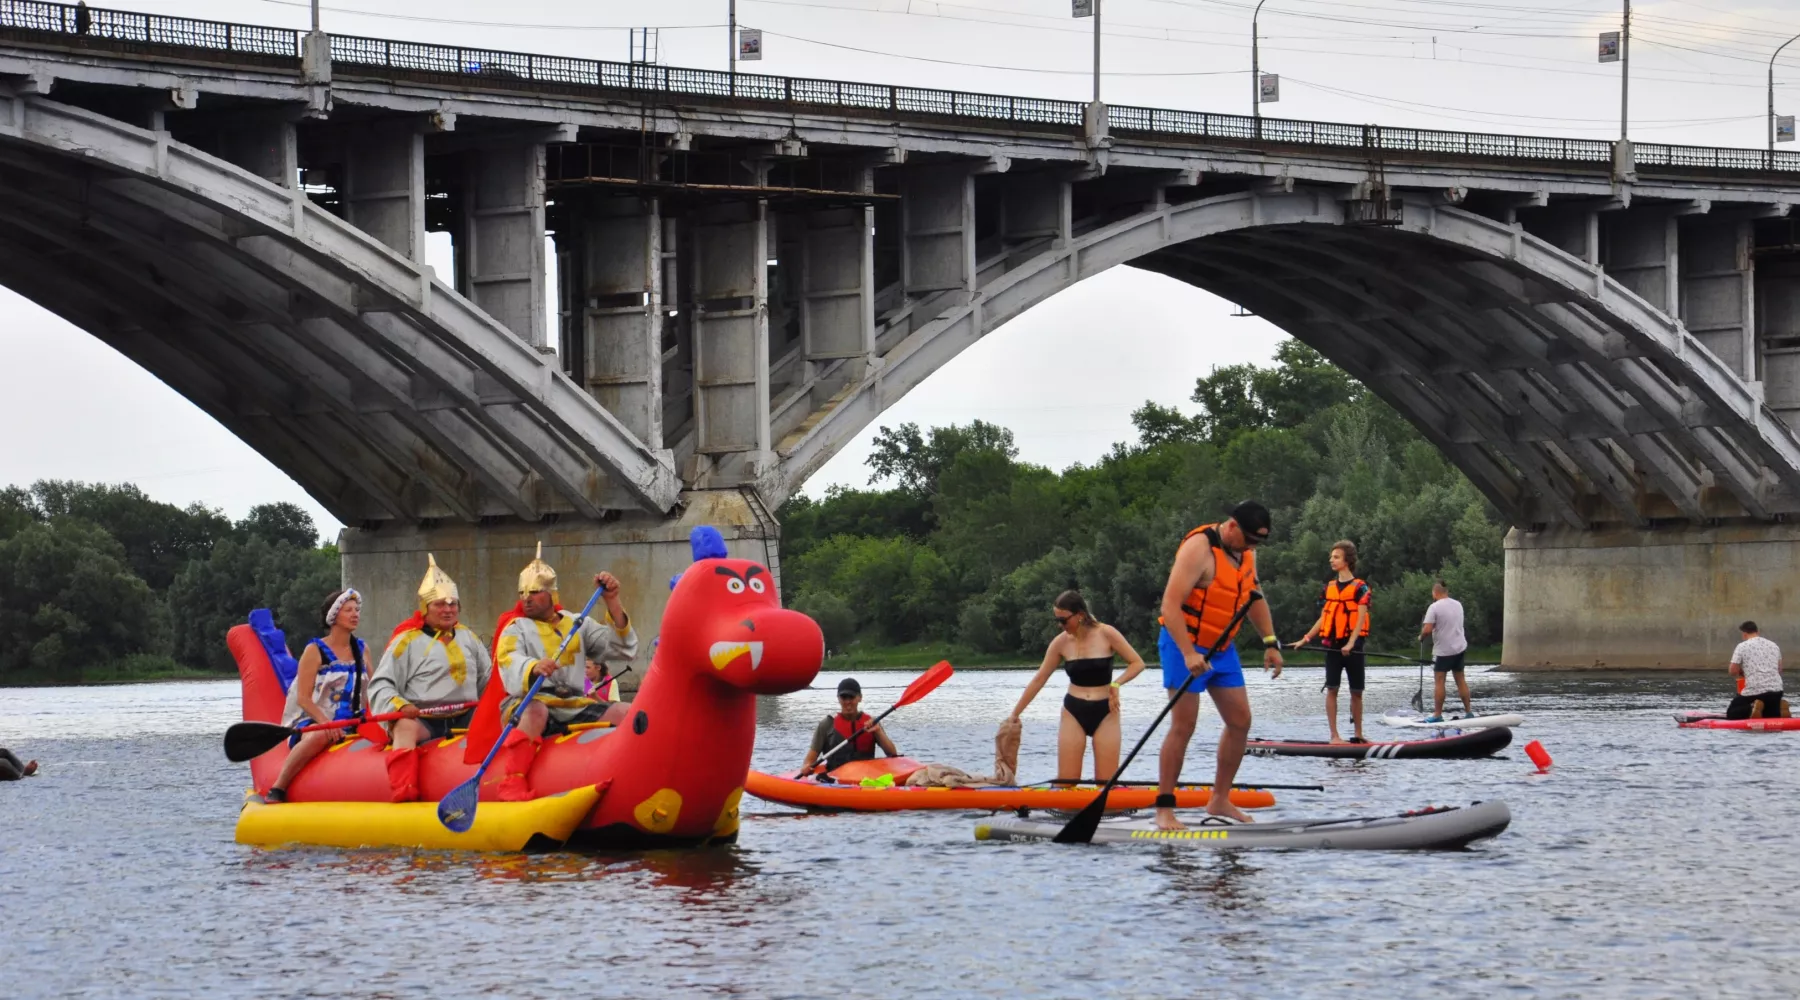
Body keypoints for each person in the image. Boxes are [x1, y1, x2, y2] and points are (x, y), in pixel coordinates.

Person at [1154, 501, 1284, 830]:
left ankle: (1220, 799)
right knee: (1184, 725)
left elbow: (1254, 597)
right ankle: (1165, 810)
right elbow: (1170, 605)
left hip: (1221, 648)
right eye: (1250, 540)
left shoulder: (1246, 553)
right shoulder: (1198, 549)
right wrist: (1187, 653)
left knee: (1240, 720)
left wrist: (1270, 642)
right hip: (1182, 642)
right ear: (1232, 527)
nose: (1252, 548)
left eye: (1258, 543)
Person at [368, 554, 492, 801]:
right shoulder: (406, 642)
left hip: (465, 716)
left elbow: (487, 680)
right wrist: (402, 705)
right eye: (440, 604)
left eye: (452, 603)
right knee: (404, 726)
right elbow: (381, 684)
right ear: (426, 608)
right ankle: (404, 790)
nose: (448, 609)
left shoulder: (469, 637)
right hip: (423, 720)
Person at [494, 543, 638, 743]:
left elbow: (622, 649)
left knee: (627, 712)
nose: (527, 598)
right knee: (536, 713)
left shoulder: (578, 623)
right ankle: (514, 772)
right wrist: (533, 667)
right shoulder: (515, 628)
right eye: (523, 592)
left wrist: (612, 600)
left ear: (552, 594)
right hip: (529, 701)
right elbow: (509, 659)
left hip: (573, 703)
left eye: (534, 591)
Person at [1005, 590, 1148, 782]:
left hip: (1106, 710)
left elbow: (1137, 663)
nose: (1060, 625)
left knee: (1105, 783)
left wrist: (1116, 683)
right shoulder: (1061, 643)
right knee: (1067, 781)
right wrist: (1015, 714)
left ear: (1080, 615)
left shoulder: (1106, 633)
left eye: (1064, 620)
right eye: (1057, 620)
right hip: (1074, 711)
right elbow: (1040, 679)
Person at [263, 588, 369, 803]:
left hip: (354, 719)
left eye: (356, 610)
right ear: (333, 616)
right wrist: (326, 724)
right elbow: (303, 698)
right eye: (348, 610)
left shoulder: (362, 648)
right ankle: (279, 786)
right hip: (315, 720)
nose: (355, 614)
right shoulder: (315, 650)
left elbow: (374, 688)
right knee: (319, 735)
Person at [1289, 540, 1369, 743]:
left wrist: (1350, 644)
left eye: (1336, 557)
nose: (1331, 560)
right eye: (1331, 557)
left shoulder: (1361, 588)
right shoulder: (1328, 588)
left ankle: (1358, 735)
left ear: (1347, 560)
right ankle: (1334, 736)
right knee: (1332, 689)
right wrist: (1305, 639)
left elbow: (1360, 618)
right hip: (1332, 646)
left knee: (1356, 692)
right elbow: (1324, 617)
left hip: (1354, 647)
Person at [801, 678, 899, 776]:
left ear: (859, 698)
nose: (848, 702)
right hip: (835, 780)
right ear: (838, 698)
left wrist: (878, 732)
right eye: (844, 697)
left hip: (865, 779)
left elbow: (892, 754)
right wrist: (807, 767)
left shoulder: (871, 723)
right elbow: (809, 761)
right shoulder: (827, 724)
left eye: (851, 697)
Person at [1421, 578, 1473, 719]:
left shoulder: (1434, 607)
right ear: (1446, 591)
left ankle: (1437, 714)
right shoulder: (1458, 604)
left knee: (1439, 681)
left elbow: (1427, 629)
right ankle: (1468, 712)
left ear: (1435, 592)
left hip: (1443, 651)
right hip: (1459, 648)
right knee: (1460, 679)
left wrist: (1421, 637)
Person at [1727, 621, 1785, 720]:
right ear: (1757, 632)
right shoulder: (1774, 645)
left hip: (1754, 690)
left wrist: (1741, 672)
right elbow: (1779, 670)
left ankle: (1752, 708)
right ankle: (1779, 710)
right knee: (1770, 714)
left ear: (1744, 634)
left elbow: (1732, 671)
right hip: (1776, 690)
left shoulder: (1742, 646)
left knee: (1732, 713)